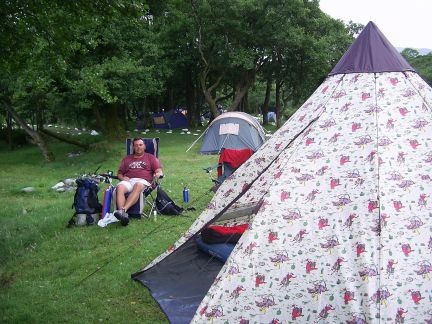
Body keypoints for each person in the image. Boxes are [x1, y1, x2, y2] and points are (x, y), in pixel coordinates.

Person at [114, 138, 163, 225]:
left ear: (144, 146)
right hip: (129, 181)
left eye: (140, 145)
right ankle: (123, 216)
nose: (138, 147)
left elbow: (158, 170)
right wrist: (122, 178)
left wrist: (158, 174)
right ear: (133, 147)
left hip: (143, 181)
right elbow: (120, 173)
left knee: (138, 185)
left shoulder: (151, 157)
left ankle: (122, 211)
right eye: (136, 145)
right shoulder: (127, 159)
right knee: (120, 187)